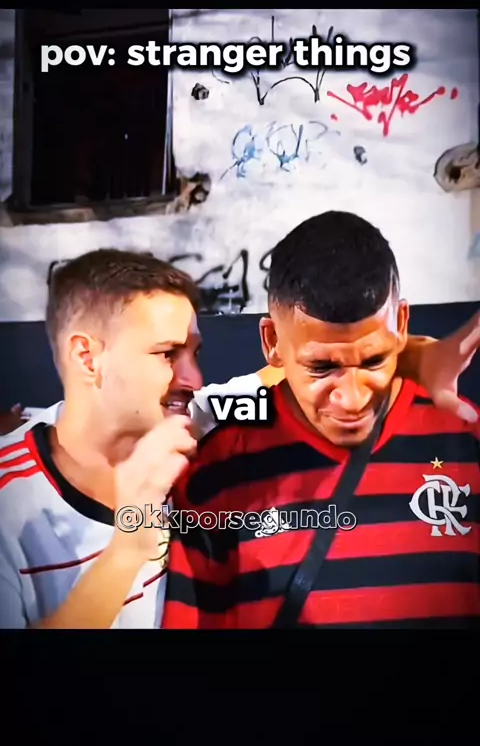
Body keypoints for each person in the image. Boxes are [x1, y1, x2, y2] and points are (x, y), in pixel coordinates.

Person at [0, 247, 478, 629]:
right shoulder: (10, 503)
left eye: (195, 353)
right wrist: (129, 549)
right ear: (87, 358)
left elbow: (302, 366)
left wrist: (418, 355)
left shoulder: (195, 417)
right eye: (167, 354)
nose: (194, 379)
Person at [162, 212, 480, 629]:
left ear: (402, 325)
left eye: (374, 360)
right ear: (272, 342)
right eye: (322, 367)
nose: (352, 398)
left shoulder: (467, 443)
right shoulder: (215, 471)